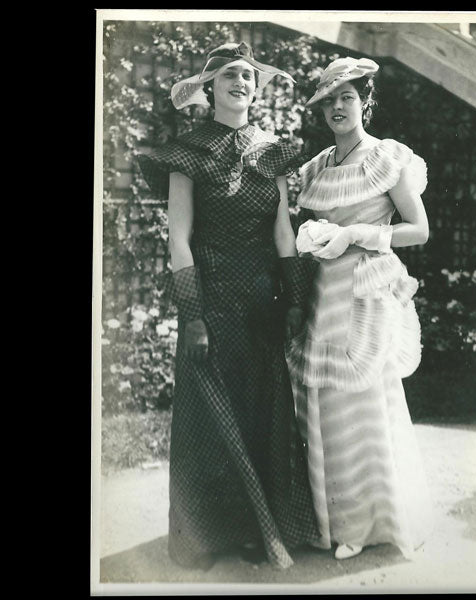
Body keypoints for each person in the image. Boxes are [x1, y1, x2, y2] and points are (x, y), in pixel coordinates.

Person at [137, 42, 320, 570]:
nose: (241, 83)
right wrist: (192, 314)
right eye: (230, 76)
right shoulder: (187, 152)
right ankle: (206, 536)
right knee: (209, 420)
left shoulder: (277, 151)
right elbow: (179, 241)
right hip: (212, 302)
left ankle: (257, 533)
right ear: (210, 88)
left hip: (262, 303)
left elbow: (286, 231)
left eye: (248, 76)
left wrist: (293, 299)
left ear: (257, 89)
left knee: (262, 415)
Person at [285, 57, 435, 561]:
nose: (337, 108)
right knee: (326, 407)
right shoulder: (317, 166)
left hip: (366, 290)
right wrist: (311, 234)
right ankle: (331, 522)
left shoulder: (384, 157)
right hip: (324, 293)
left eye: (346, 97)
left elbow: (419, 229)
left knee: (364, 405)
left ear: (364, 100)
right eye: (329, 101)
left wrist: (359, 234)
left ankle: (369, 523)